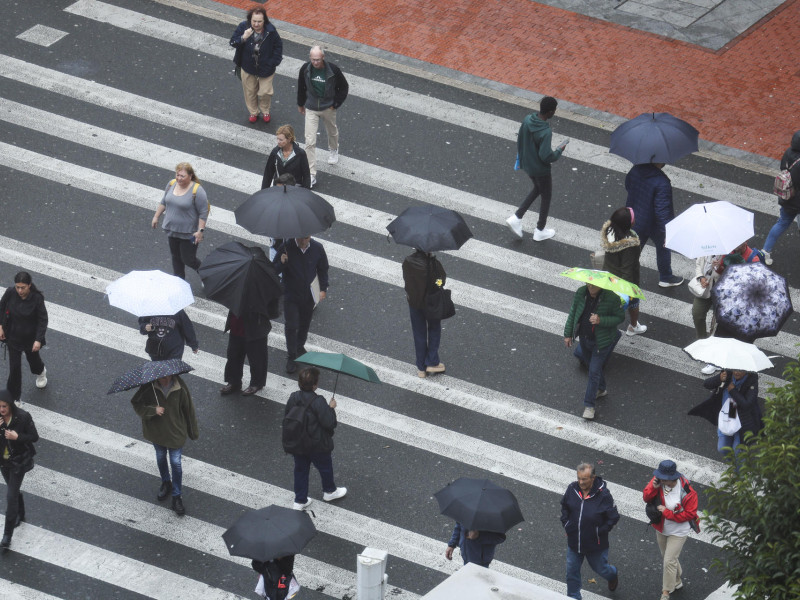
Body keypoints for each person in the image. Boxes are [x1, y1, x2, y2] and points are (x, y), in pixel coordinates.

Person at [131, 374, 199, 516]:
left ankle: (176, 496)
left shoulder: (180, 387)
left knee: (176, 462)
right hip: (157, 432)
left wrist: (193, 432)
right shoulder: (148, 387)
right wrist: (153, 410)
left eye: (168, 377)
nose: (167, 380)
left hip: (175, 433)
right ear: (156, 377)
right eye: (163, 378)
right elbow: (136, 403)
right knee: (161, 456)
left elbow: (188, 409)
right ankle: (166, 482)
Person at [505, 96, 568, 242]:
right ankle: (540, 230)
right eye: (554, 110)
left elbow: (520, 139)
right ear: (550, 112)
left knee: (538, 189)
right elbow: (546, 156)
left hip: (527, 164)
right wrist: (559, 150)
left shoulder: (527, 120)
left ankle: (517, 217)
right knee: (546, 196)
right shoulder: (545, 131)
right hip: (541, 170)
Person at [284, 367, 346, 510]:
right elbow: (329, 423)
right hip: (316, 444)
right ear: (315, 385)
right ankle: (329, 491)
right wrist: (331, 408)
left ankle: (300, 500)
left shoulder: (293, 397)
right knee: (325, 467)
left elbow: (287, 415)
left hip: (298, 443)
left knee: (300, 470)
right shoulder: (318, 401)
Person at [563, 284, 625, 420]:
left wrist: (600, 320)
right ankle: (601, 389)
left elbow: (620, 317)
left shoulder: (612, 298)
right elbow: (573, 312)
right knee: (591, 366)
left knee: (593, 371)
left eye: (594, 285)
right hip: (585, 338)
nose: (590, 287)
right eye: (589, 283)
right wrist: (568, 333)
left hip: (601, 342)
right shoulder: (581, 292)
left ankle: (589, 406)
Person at [560, 463, 620, 600]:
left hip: (596, 545)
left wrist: (600, 531)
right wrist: (567, 524)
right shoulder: (572, 489)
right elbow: (565, 507)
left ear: (593, 478)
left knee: (601, 569)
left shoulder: (604, 495)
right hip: (574, 542)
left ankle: (613, 574)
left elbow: (613, 517)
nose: (580, 482)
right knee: (571, 572)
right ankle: (573, 597)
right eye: (579, 478)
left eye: (584, 479)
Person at [643, 460, 699, 600]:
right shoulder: (658, 482)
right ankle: (677, 580)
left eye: (662, 478)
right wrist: (653, 487)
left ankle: (666, 591)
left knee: (668, 560)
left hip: (679, 531)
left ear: (670, 478)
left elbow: (689, 515)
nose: (659, 479)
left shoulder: (688, 492)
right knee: (669, 558)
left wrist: (667, 512)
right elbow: (646, 497)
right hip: (662, 528)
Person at [273, 236, 329, 374]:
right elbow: (273, 270)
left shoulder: (317, 248)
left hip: (309, 295)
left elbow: (323, 269)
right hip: (291, 295)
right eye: (302, 238)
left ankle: (300, 346)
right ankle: (291, 356)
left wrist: (323, 289)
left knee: (305, 323)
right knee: (291, 326)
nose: (305, 241)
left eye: (307, 237)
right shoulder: (286, 248)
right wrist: (282, 263)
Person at [297, 46, 349, 187]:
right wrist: (300, 104)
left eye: (318, 60)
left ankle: (333, 149)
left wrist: (335, 104)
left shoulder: (333, 70)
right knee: (309, 141)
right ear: (310, 58)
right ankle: (311, 174)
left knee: (332, 131)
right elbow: (301, 86)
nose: (315, 62)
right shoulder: (305, 69)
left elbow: (344, 87)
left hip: (328, 107)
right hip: (311, 107)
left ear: (323, 58)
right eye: (313, 59)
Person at [625, 162, 683, 287]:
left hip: (636, 218)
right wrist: (667, 231)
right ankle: (666, 277)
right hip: (655, 224)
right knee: (663, 248)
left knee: (633, 251)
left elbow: (628, 185)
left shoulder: (636, 169)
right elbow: (662, 211)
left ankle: (624, 275)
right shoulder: (662, 182)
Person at [151, 163, 209, 280]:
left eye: (182, 176)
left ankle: (207, 275)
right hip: (172, 230)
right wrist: (156, 216)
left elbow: (203, 212)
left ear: (190, 176)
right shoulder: (171, 184)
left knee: (189, 259)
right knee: (176, 258)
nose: (179, 178)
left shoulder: (197, 191)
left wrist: (200, 231)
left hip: (190, 234)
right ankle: (179, 283)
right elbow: (164, 202)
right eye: (177, 175)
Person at [690, 369, 761, 461]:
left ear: (747, 371)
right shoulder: (727, 375)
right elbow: (706, 384)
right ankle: (733, 465)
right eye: (735, 369)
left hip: (742, 421)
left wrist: (733, 391)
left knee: (738, 451)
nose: (736, 372)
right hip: (727, 416)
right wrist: (719, 379)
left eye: (740, 370)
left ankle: (739, 473)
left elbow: (747, 404)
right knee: (722, 448)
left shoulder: (752, 381)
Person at [229, 7, 283, 123]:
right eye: (254, 21)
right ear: (250, 19)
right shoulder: (243, 27)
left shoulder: (271, 31)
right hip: (248, 67)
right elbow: (233, 42)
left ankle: (265, 110)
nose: (256, 24)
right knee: (250, 92)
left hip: (266, 68)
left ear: (265, 21)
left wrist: (273, 62)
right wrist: (244, 37)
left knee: (265, 92)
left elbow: (278, 46)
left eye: (259, 21)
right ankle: (253, 112)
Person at [0, 271, 48, 400]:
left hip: (30, 339)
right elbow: (1, 307)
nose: (19, 290)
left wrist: (38, 340)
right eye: (17, 287)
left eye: (23, 287)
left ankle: (41, 372)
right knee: (14, 369)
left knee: (34, 361)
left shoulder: (37, 298)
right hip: (13, 337)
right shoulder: (10, 292)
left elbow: (42, 320)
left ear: (29, 285)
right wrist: (0, 326)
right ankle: (14, 399)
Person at [220, 293, 279, 397]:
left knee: (257, 358)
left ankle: (256, 383)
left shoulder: (263, 285)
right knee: (233, 355)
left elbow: (272, 309)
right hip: (237, 325)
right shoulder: (237, 281)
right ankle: (234, 381)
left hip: (255, 327)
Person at [0, 389, 38, 549]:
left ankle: (7, 535)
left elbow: (34, 437)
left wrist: (18, 437)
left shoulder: (23, 417)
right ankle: (20, 512)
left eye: (4, 407)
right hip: (3, 463)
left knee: (10, 497)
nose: (1, 410)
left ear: (10, 406)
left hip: (18, 463)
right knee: (12, 491)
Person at [402, 249, 447, 377]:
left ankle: (421, 368)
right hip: (431, 302)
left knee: (419, 334)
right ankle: (432, 361)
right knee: (434, 329)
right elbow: (440, 281)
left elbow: (407, 279)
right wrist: (438, 283)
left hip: (414, 302)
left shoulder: (408, 261)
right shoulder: (433, 264)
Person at [601, 207, 645, 336]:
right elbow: (627, 269)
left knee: (607, 305)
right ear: (628, 224)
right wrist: (629, 291)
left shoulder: (609, 232)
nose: (635, 219)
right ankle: (633, 326)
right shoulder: (630, 245)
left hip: (608, 277)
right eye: (633, 218)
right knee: (633, 304)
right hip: (623, 281)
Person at [762, 130, 800, 265]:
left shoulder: (788, 152)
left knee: (782, 223)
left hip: (787, 198)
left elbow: (783, 168)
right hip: (797, 201)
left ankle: (765, 251)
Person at [691, 254, 721, 374]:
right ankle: (702, 342)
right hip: (706, 288)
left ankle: (714, 355)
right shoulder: (707, 247)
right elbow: (699, 263)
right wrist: (701, 277)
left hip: (721, 290)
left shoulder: (730, 253)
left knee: (718, 323)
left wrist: (719, 268)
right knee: (697, 314)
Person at [262, 124, 312, 189]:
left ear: (289, 139)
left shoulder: (300, 154)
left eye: (281, 140)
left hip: (294, 189)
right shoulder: (275, 152)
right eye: (277, 139)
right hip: (278, 188)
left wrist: (305, 194)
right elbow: (268, 174)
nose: (278, 142)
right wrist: (264, 191)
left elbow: (306, 176)